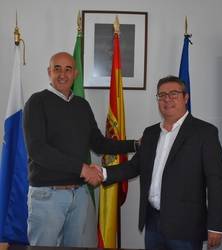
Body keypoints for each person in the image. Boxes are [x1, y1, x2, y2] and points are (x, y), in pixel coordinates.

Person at [23, 52, 138, 247]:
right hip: (48, 196)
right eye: (57, 68)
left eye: (68, 69)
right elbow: (38, 150)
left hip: (80, 197)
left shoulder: (82, 105)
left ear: (75, 73)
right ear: (49, 72)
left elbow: (100, 143)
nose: (62, 74)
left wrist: (135, 145)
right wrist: (82, 169)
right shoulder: (36, 102)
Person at [101, 75, 222, 250]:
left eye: (173, 94)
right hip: (152, 221)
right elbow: (135, 166)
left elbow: (216, 180)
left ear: (186, 97)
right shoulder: (151, 133)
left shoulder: (204, 133)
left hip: (186, 227)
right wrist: (103, 173)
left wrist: (216, 225)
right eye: (162, 95)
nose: (167, 99)